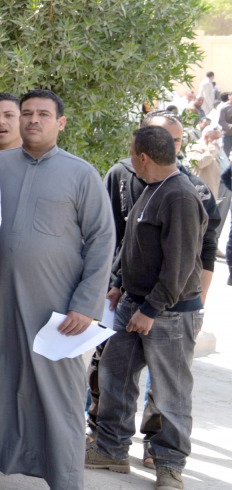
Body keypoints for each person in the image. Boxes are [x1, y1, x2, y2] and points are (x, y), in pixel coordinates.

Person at [0, 89, 115, 489]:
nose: (33, 120)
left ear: (60, 123)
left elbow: (102, 241)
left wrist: (86, 305)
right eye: (27, 113)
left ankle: (65, 476)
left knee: (59, 393)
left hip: (56, 307)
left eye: (43, 114)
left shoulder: (81, 173)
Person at [97, 110, 218, 465]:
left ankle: (169, 464)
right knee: (115, 379)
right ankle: (110, 450)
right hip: (131, 305)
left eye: (133, 153)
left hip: (166, 315)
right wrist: (119, 284)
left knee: (171, 394)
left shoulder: (179, 195)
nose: (130, 160)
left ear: (144, 157)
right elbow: (136, 249)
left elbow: (179, 265)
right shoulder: (152, 188)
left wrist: (151, 310)